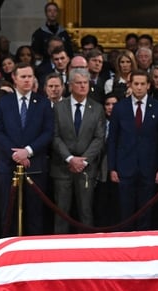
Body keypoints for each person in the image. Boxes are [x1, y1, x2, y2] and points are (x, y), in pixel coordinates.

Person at [0, 62, 54, 236]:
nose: (27, 80)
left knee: (35, 214)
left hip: (34, 165)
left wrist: (28, 151)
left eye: (30, 76)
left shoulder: (43, 103)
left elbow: (48, 132)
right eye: (23, 77)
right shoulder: (4, 103)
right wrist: (15, 154)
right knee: (8, 213)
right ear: (14, 78)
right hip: (7, 165)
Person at [107, 69, 158, 231]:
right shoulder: (120, 108)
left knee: (146, 211)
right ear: (130, 85)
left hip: (149, 168)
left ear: (148, 85)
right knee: (125, 211)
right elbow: (112, 139)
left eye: (142, 84)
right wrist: (112, 167)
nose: (139, 87)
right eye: (136, 84)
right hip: (124, 167)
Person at [51, 68, 105, 234]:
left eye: (85, 83)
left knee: (86, 212)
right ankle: (59, 250)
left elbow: (99, 138)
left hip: (86, 169)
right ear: (70, 85)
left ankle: (87, 249)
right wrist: (69, 158)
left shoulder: (97, 108)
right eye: (78, 83)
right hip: (62, 167)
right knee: (61, 212)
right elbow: (55, 136)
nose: (82, 86)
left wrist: (83, 160)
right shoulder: (59, 107)